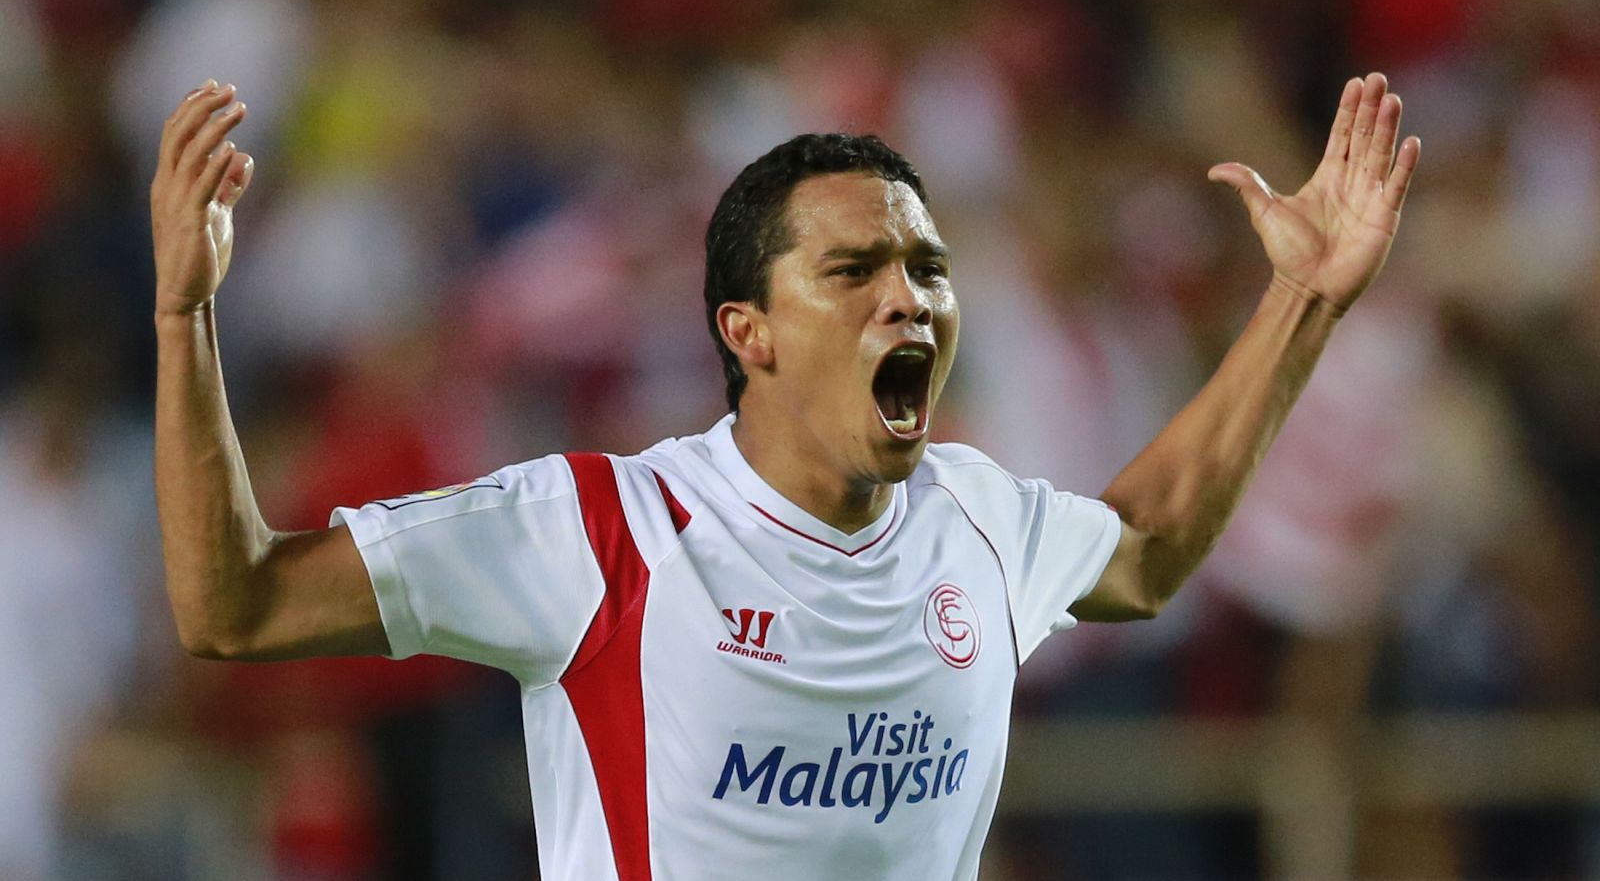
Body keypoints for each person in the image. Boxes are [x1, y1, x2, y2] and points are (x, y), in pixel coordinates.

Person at [150, 72, 1420, 880]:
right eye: (852, 271)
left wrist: (1303, 300)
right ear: (747, 332)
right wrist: (183, 319)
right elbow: (236, 607)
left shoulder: (975, 518)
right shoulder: (600, 532)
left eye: (926, 269)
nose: (906, 300)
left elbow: (1140, 552)